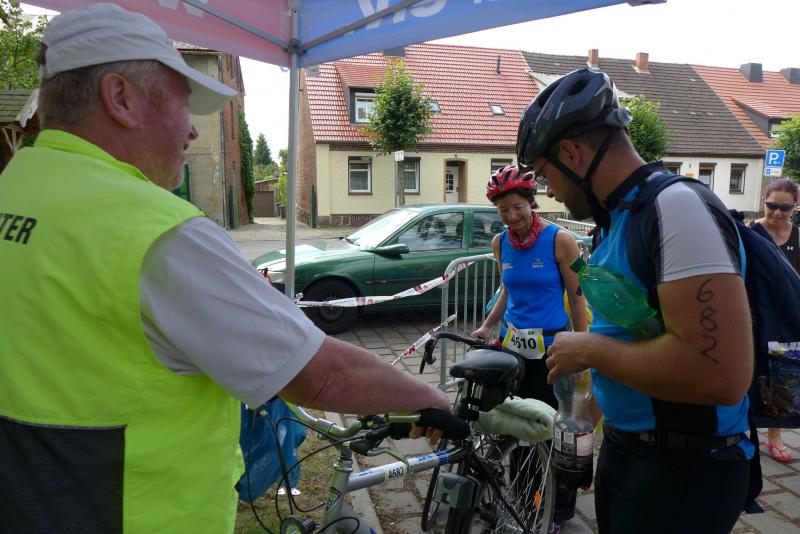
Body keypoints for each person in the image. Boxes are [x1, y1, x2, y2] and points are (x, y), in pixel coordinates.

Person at [0, 4, 449, 534]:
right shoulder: (157, 231)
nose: (192, 130)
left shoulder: (15, 189)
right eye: (182, 103)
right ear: (121, 98)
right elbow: (320, 374)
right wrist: (431, 399)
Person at [516, 68, 753, 534]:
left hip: (685, 468)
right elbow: (631, 335)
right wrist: (583, 423)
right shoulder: (614, 221)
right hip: (631, 450)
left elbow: (722, 375)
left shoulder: (675, 207)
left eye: (544, 175)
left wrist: (589, 349)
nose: (548, 191)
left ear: (572, 153)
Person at [471, 165, 588, 527]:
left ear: (531, 203)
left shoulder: (560, 240)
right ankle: (526, 496)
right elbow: (508, 290)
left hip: (553, 351)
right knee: (518, 427)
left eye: (518, 207)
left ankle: (557, 508)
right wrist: (488, 325)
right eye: (503, 210)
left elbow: (578, 295)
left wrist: (583, 346)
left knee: (556, 429)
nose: (511, 216)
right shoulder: (500, 243)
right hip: (514, 349)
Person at [749, 178, 800, 463]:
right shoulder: (751, 232)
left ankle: (775, 434)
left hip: (787, 318)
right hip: (756, 313)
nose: (778, 213)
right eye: (772, 205)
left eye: (785, 208)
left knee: (782, 373)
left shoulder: (798, 236)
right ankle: (744, 429)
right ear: (764, 201)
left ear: (796, 207)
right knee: (753, 370)